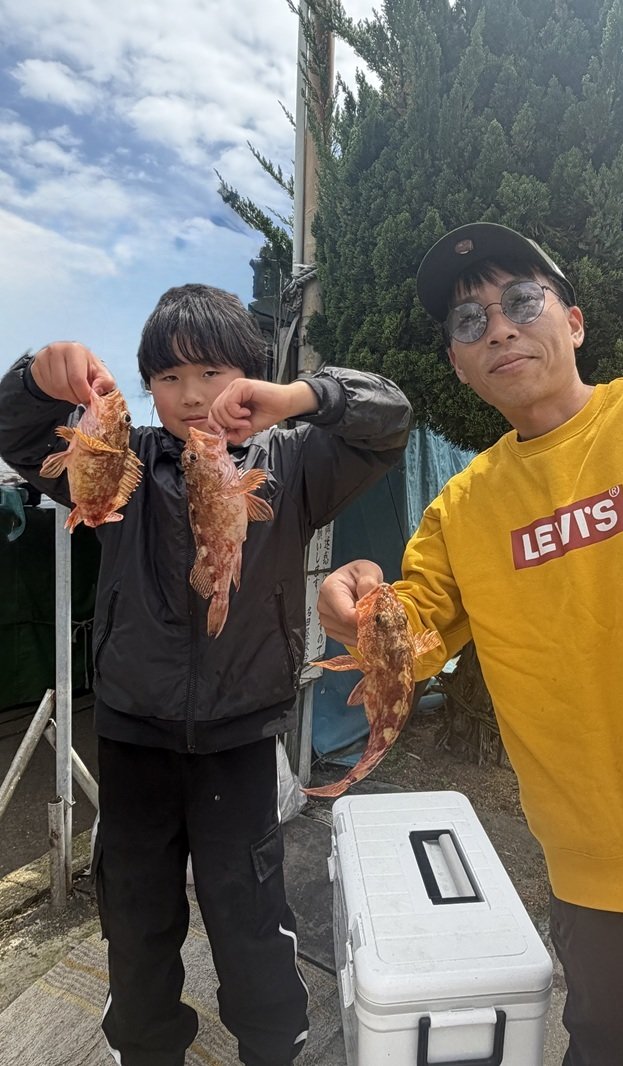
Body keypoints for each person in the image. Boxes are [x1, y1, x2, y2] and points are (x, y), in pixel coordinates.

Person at [316, 222, 623, 1066]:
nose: (499, 329)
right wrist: (363, 606)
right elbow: (413, 631)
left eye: (522, 301)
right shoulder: (462, 510)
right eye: (470, 322)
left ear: (573, 322)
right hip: (604, 880)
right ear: (458, 363)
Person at [0, 283, 412, 1066]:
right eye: (169, 377)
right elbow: (15, 434)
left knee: (248, 910)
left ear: (249, 378)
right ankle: (145, 1046)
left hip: (241, 738)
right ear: (146, 387)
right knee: (134, 911)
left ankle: (273, 1045)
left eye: (213, 373)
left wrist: (299, 397)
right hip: (133, 737)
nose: (191, 396)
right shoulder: (118, 460)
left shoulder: (292, 463)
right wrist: (34, 379)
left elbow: (388, 419)